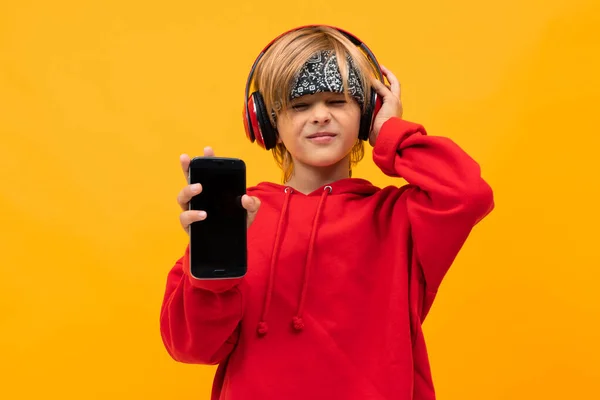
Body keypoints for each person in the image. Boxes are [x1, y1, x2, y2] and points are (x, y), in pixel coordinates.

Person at [159, 25, 494, 400]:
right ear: (267, 124)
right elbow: (191, 348)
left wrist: (391, 133)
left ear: (367, 114)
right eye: (300, 105)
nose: (320, 115)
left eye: (337, 101)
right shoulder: (240, 215)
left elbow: (468, 194)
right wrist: (213, 259)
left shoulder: (400, 218)